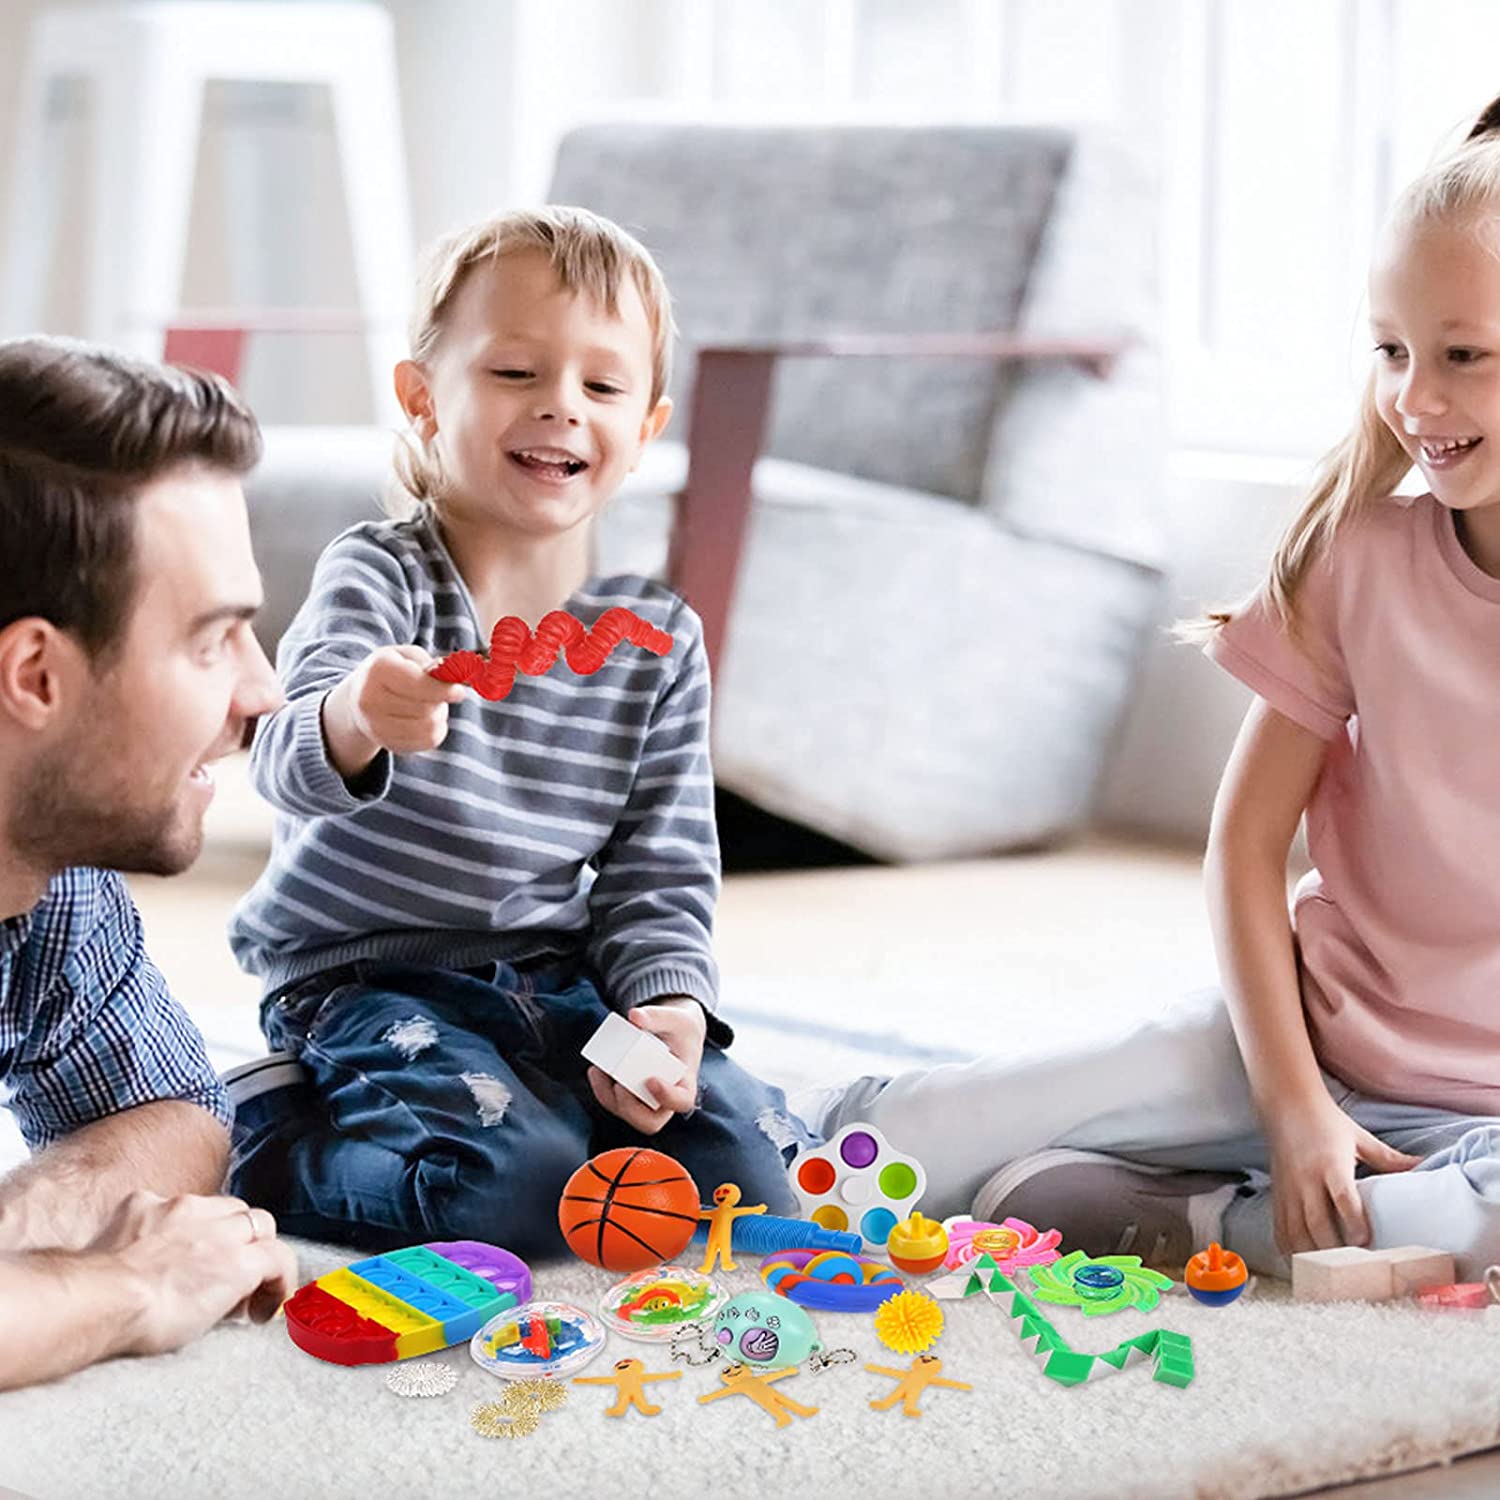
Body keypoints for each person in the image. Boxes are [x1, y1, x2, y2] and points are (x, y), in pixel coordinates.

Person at [809, 95, 1500, 1282]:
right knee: (877, 1152)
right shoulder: (1357, 559)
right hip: (1291, 1043)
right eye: (1392, 351)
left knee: (1479, 1222)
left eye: (1462, 355)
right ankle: (1244, 1190)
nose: (1415, 400)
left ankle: (1190, 1224)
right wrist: (1293, 1106)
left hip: (1479, 1121)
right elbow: (1244, 847)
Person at [226, 206, 816, 1256]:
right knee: (517, 1197)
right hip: (365, 981)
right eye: (514, 372)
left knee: (756, 1178)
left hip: (560, 975)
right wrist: (357, 713)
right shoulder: (378, 576)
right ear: (423, 398)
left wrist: (668, 1006)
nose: (561, 406)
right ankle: (268, 1138)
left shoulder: (659, 639)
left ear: (646, 427)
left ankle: (556, 1111)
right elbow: (279, 762)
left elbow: (661, 868)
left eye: (602, 386)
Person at [0, 337, 298, 1389]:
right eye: (212, 640)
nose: (264, 693)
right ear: (36, 674)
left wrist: (21, 1229)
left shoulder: (47, 873)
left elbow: (169, 1113)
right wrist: (128, 1285)